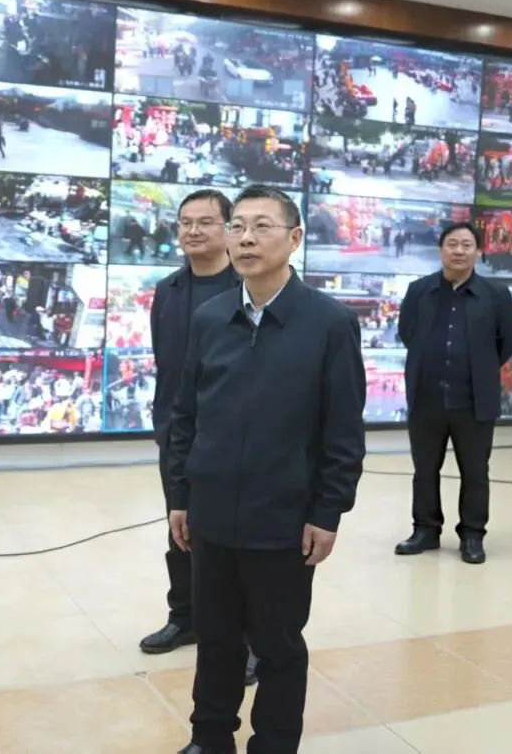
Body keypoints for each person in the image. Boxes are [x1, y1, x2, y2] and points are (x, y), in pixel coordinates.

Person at [167, 185, 366, 754]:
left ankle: (274, 744)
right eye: (238, 227)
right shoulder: (210, 318)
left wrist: (328, 512)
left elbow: (343, 432)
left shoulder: (329, 323)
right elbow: (186, 414)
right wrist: (180, 495)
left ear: (295, 238)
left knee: (277, 645)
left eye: (262, 226)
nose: (246, 238)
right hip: (211, 514)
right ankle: (209, 739)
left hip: (283, 519)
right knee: (216, 638)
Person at [139, 190, 257, 687]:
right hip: (179, 434)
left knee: (240, 541)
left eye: (205, 222)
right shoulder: (167, 290)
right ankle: (184, 617)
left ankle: (250, 640)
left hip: (235, 437)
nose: (192, 231)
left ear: (228, 228)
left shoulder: (248, 289)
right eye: (185, 222)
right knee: (181, 530)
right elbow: (166, 365)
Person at [394, 222, 512, 565]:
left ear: (478, 251)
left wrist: (480, 366)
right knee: (424, 470)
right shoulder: (419, 290)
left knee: (475, 472)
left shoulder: (495, 295)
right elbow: (407, 332)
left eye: (467, 245)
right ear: (441, 250)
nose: (459, 251)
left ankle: (472, 535)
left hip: (474, 401)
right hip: (426, 398)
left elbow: (509, 339)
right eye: (452, 244)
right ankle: (425, 530)